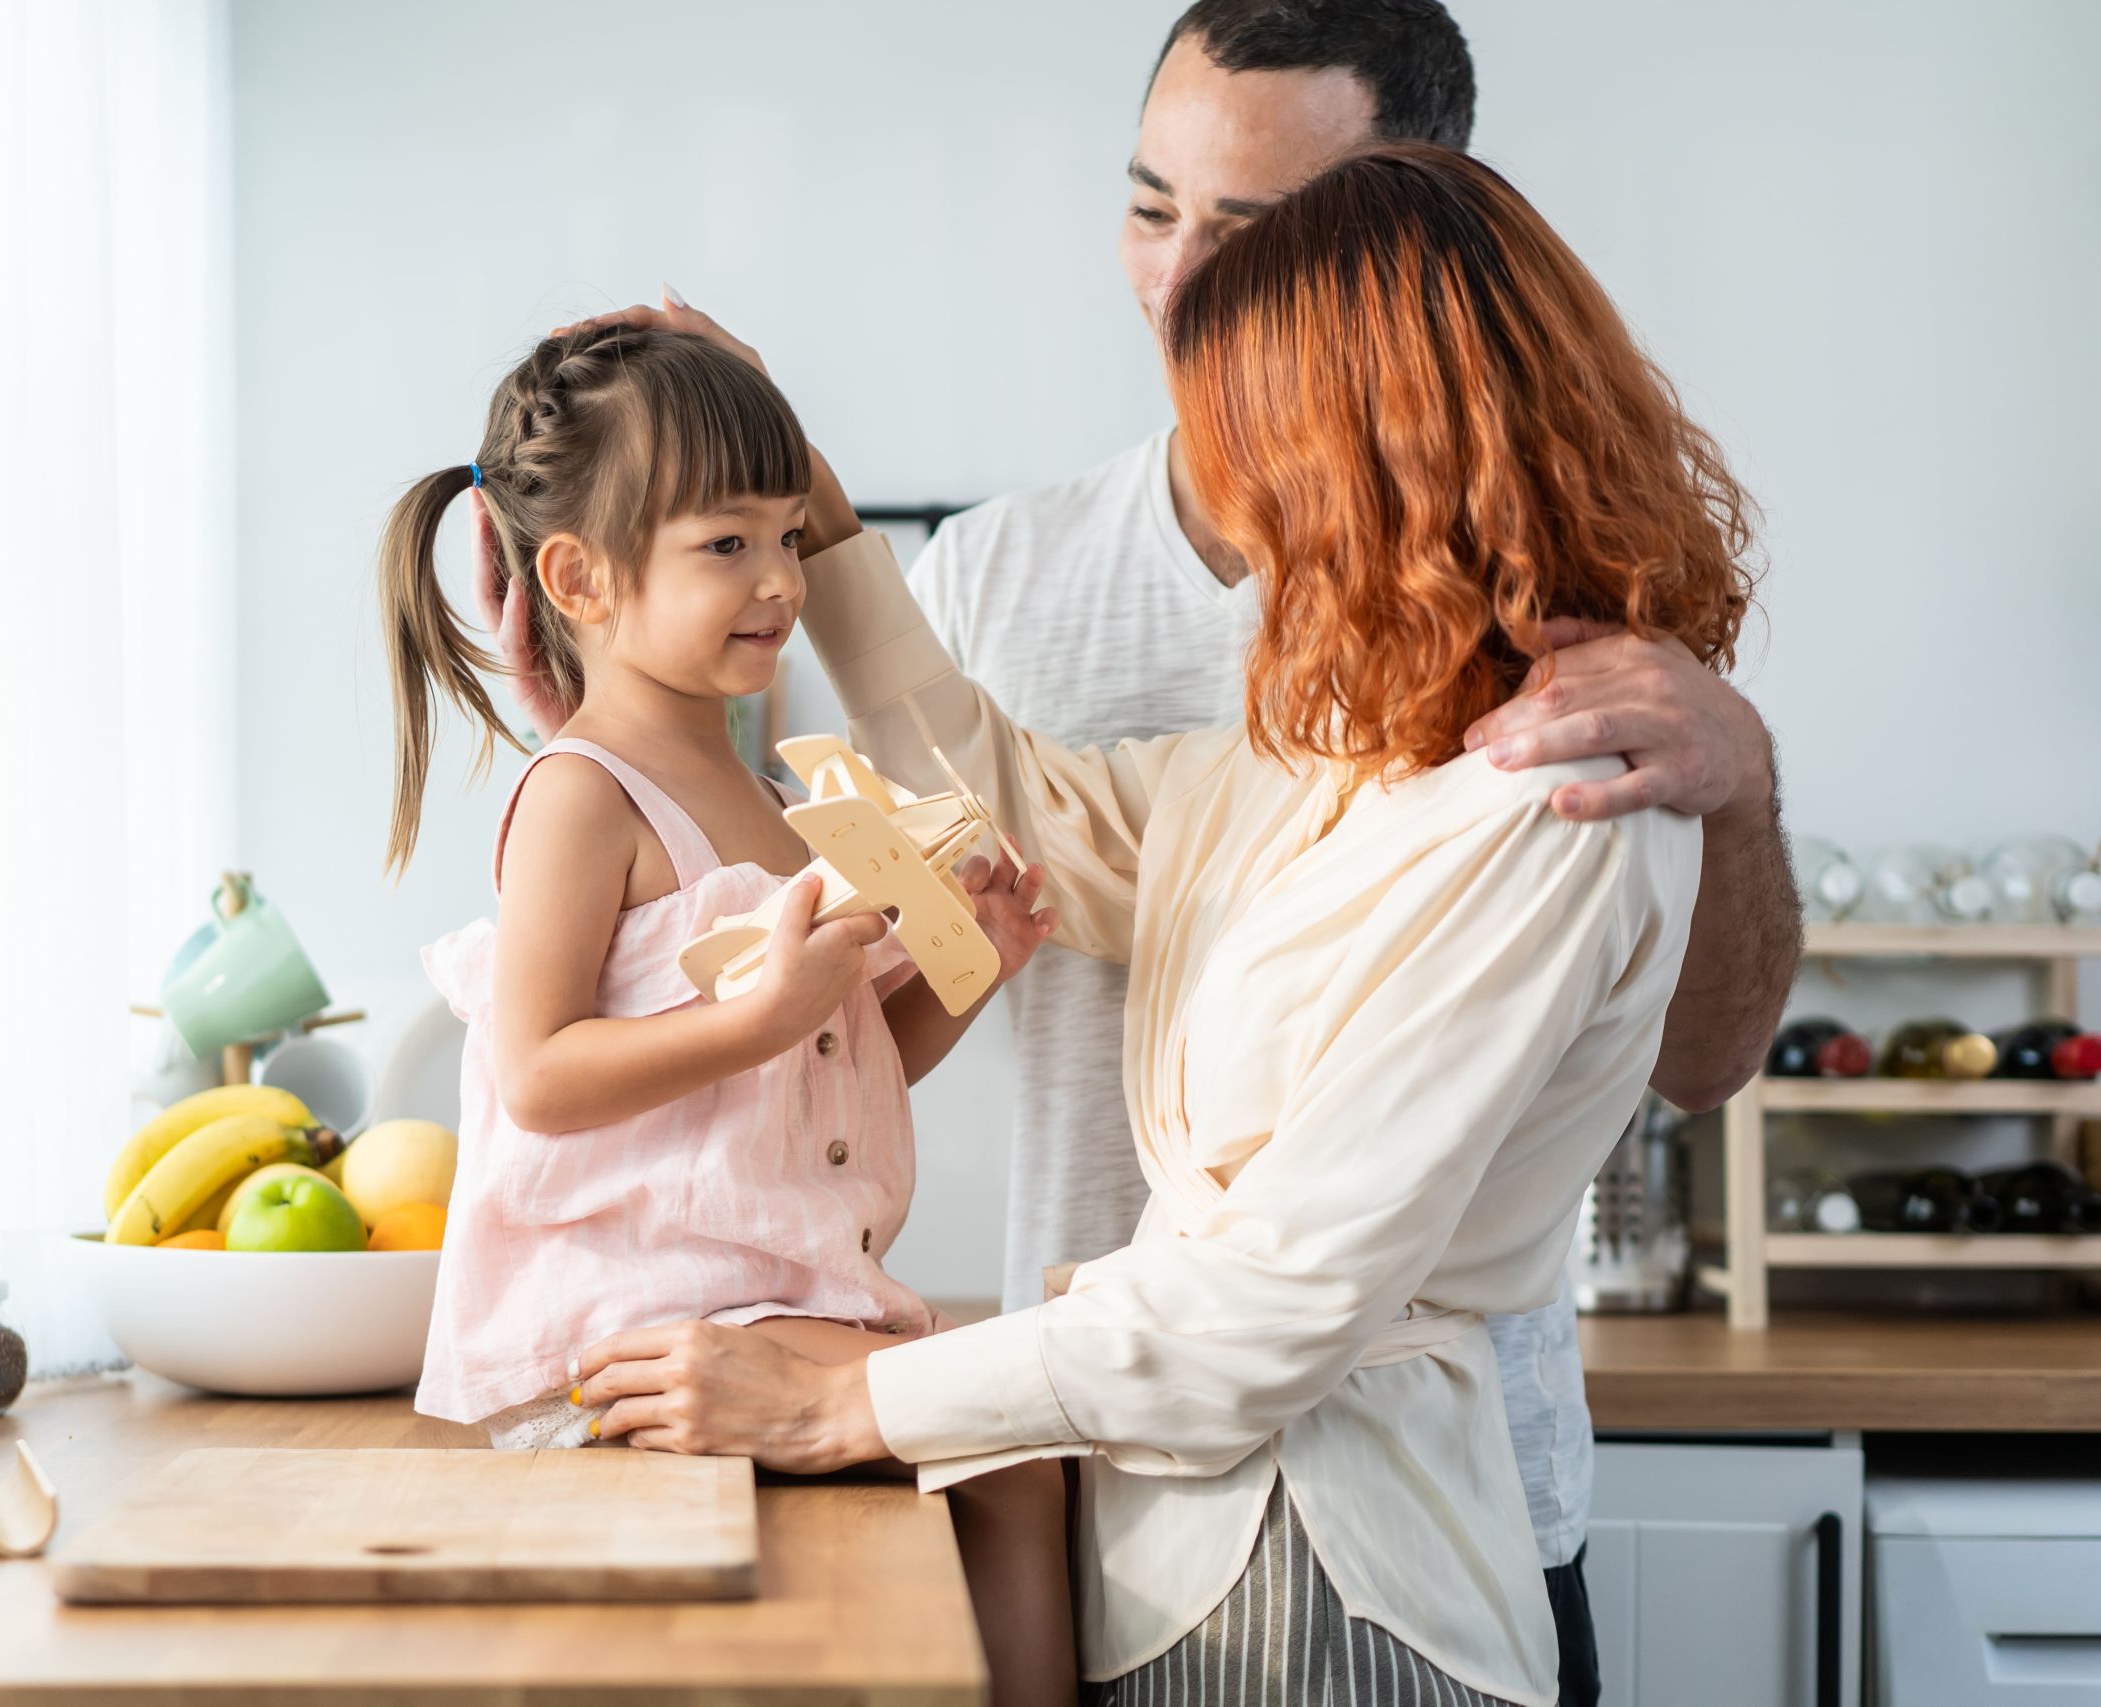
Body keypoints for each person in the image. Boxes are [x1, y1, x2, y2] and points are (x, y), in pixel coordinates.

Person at [574, 139, 1757, 1707]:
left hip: (1347, 1587)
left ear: (1368, 461)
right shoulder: (1334, 751)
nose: (1227, 495)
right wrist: (830, 532)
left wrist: (848, 1402)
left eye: (1246, 444)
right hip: (1180, 1565)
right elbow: (1012, 800)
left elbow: (1266, 1314)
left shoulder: (1559, 806)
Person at [902, 6, 1799, 1701]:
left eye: (1252, 235)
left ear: (1406, 242)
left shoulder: (1573, 730)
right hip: (1086, 1474)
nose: (1179, 281)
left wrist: (1739, 789)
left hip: (1394, 1509)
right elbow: (963, 836)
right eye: (1151, 206)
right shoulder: (1022, 589)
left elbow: (1699, 1064)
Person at [374, 325, 1075, 1705]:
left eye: (787, 540)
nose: (778, 582)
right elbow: (539, 1074)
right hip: (624, 1326)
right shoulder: (583, 797)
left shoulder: (768, 799)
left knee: (1019, 1455)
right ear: (577, 578)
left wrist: (971, 964)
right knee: (1012, 1449)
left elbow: (842, 1062)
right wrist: (762, 1016)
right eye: (726, 548)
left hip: (766, 1305)